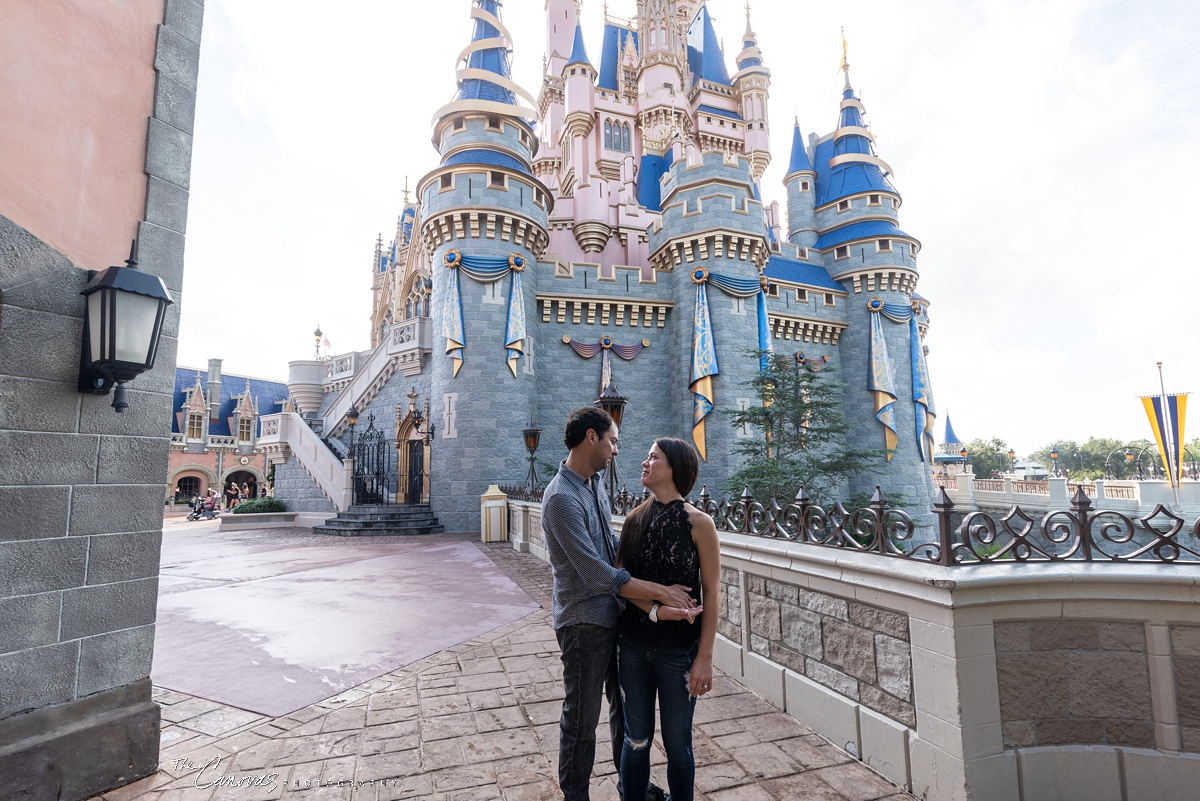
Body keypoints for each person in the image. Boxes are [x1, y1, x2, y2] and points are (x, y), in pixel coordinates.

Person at [541, 407, 697, 801]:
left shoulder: (594, 485)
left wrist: (649, 606)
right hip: (583, 624)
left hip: (615, 617)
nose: (615, 451)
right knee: (581, 720)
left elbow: (613, 553)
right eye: (612, 441)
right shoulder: (560, 498)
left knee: (623, 712)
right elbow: (596, 575)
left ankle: (632, 786)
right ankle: (576, 795)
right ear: (591, 437)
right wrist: (661, 592)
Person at [616, 438, 720, 801]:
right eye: (646, 456)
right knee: (637, 740)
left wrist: (704, 659)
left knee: (678, 746)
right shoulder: (634, 518)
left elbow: (712, 591)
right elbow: (620, 583)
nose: (645, 462)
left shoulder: (699, 523)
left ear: (674, 467)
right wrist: (657, 607)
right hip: (631, 646)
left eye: (654, 457)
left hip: (679, 652)